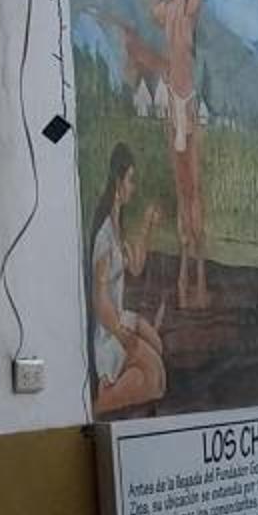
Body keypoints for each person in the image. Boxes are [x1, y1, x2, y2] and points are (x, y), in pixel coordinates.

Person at [148, 0, 213, 309]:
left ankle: (198, 277)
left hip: (186, 102)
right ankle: (184, 278)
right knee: (183, 189)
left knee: (193, 190)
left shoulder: (184, 12)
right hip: (174, 101)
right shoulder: (171, 12)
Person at [86, 146, 169, 415]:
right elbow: (99, 298)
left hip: (121, 318)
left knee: (157, 346)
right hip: (110, 331)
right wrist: (124, 335)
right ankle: (104, 399)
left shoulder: (116, 223)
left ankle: (122, 384)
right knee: (157, 381)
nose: (133, 187)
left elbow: (135, 267)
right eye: (131, 180)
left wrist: (146, 224)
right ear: (118, 180)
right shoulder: (103, 236)